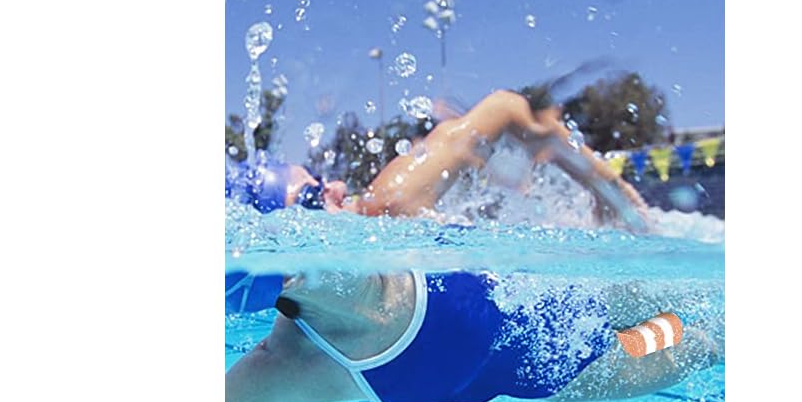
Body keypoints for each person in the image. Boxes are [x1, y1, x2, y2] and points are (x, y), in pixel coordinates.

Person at [225, 267, 719, 402]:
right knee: (704, 345)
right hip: (559, 374)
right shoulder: (283, 367)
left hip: (583, 298)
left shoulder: (381, 235)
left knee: (693, 300)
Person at [226, 90, 650, 230]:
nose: (336, 186)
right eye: (314, 198)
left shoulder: (388, 202)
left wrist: (607, 190)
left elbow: (504, 107)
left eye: (319, 181)